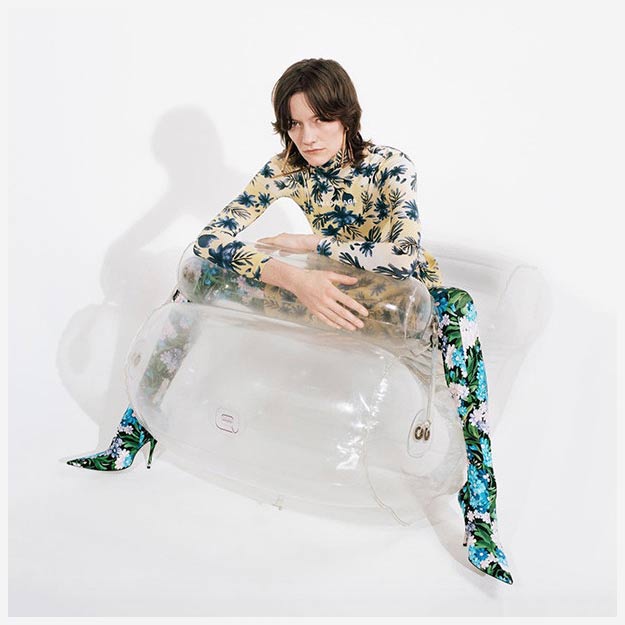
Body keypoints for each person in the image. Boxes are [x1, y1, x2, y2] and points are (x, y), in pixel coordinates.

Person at [66, 58, 513, 585]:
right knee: (199, 279)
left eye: (320, 120)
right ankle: (134, 433)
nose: (307, 136)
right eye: (295, 124)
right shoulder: (283, 168)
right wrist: (290, 276)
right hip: (321, 290)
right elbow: (207, 242)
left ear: (347, 115)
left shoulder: (391, 165)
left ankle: (480, 515)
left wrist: (310, 244)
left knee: (459, 308)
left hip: (398, 299)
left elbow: (403, 255)